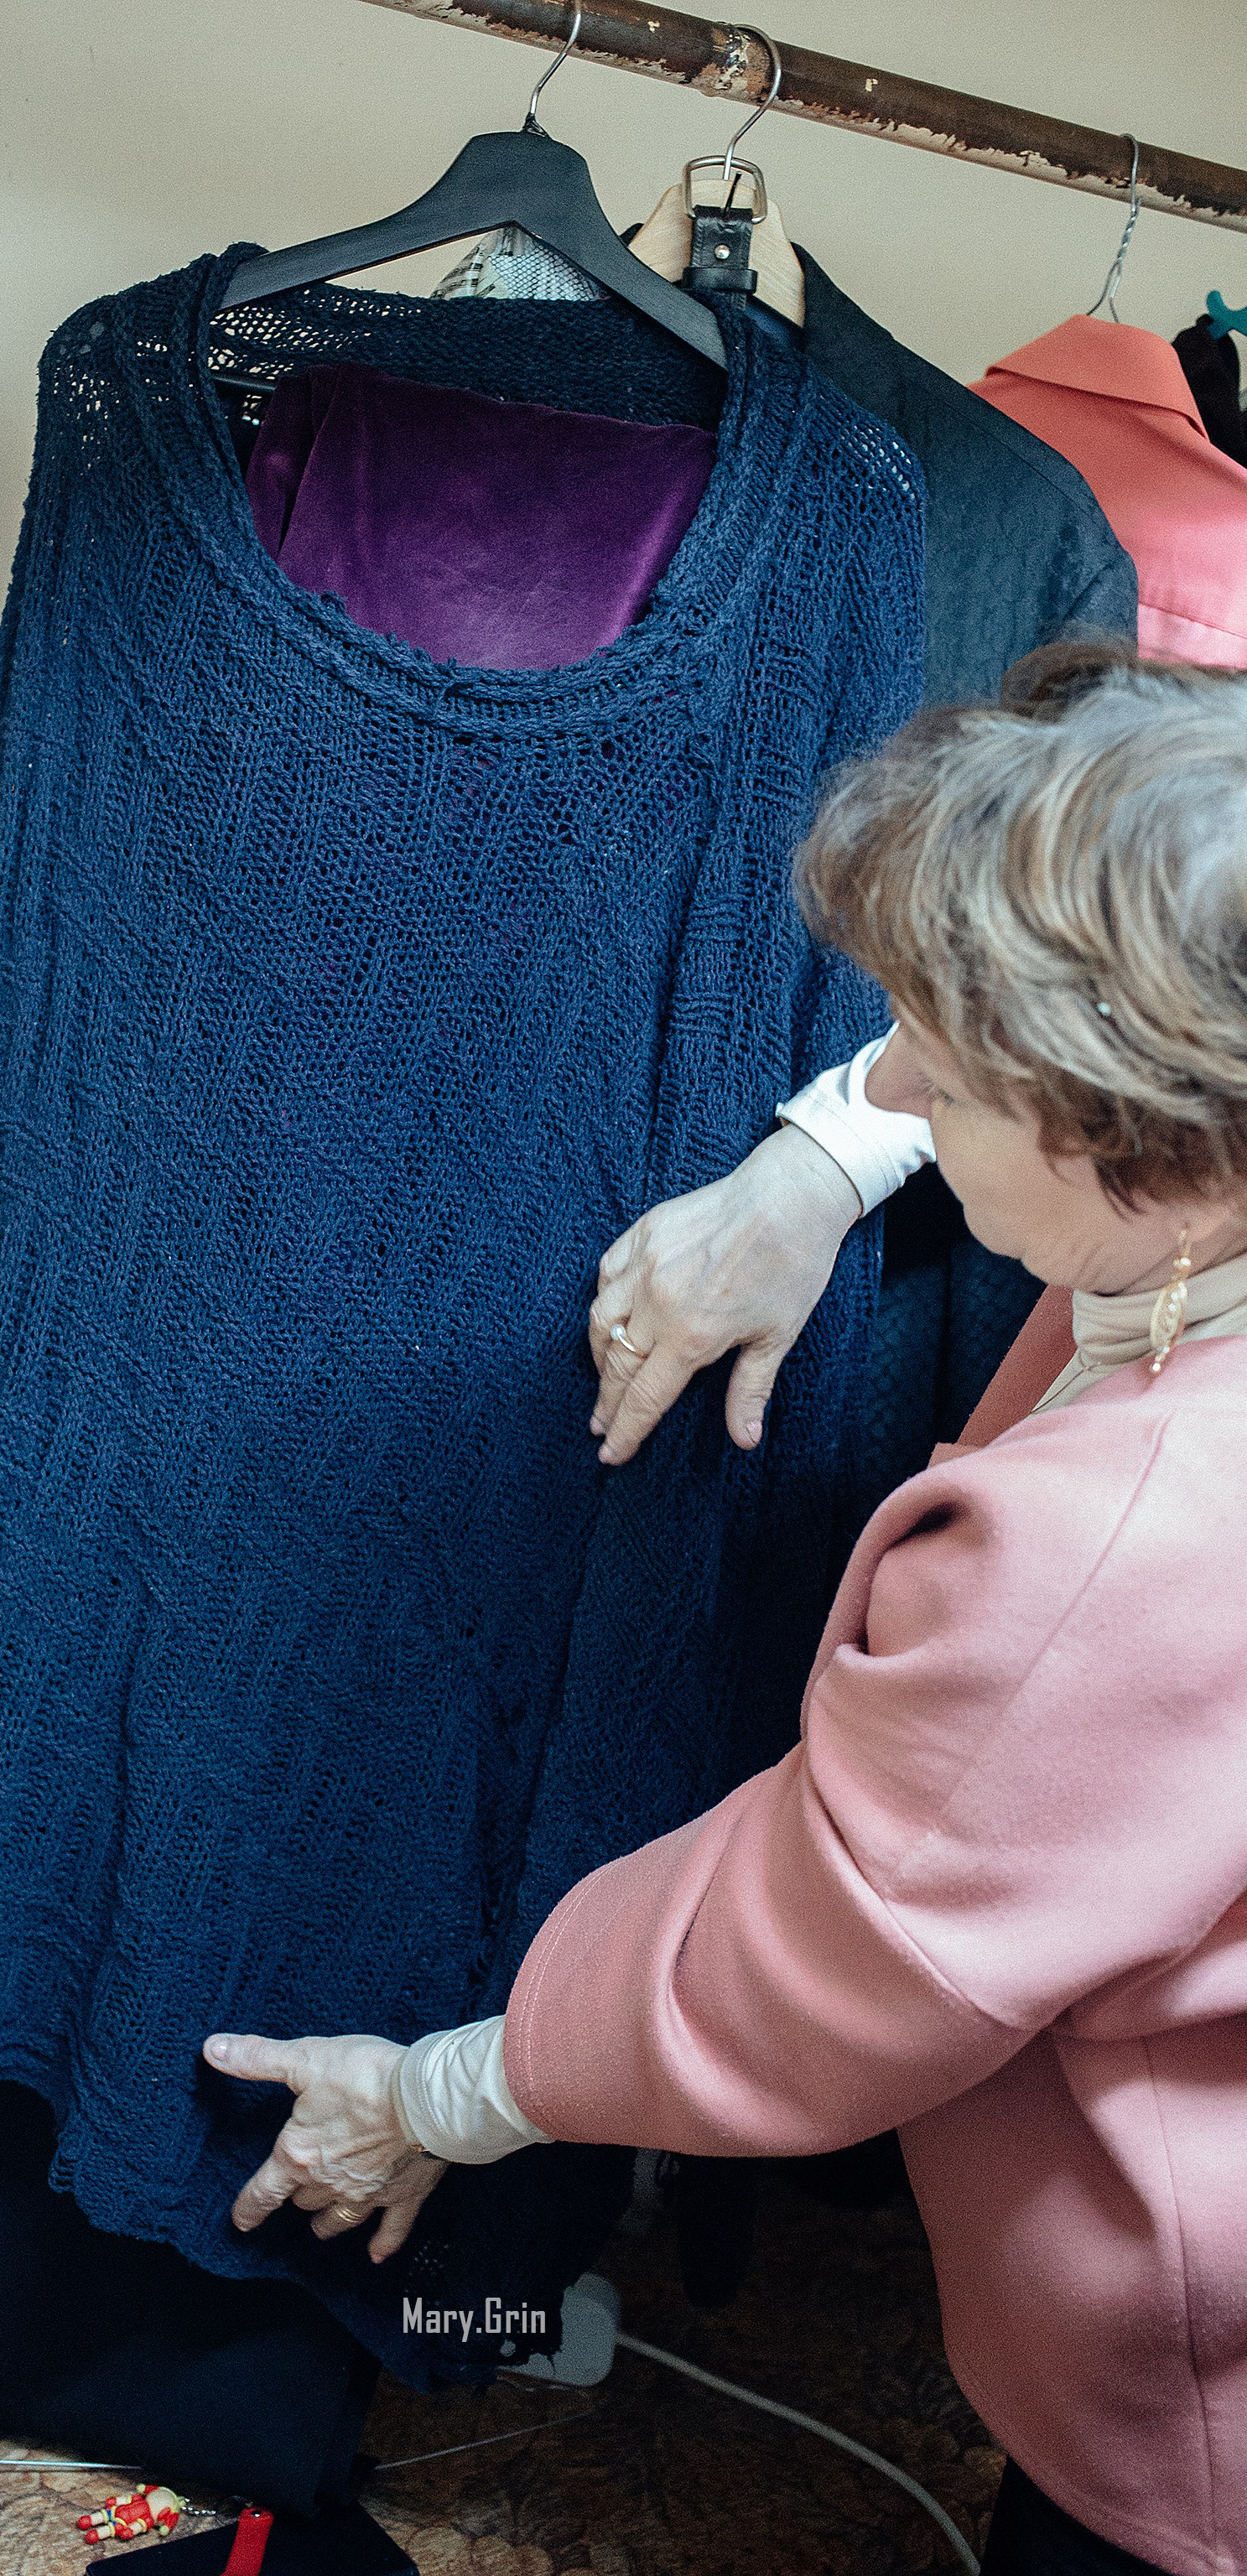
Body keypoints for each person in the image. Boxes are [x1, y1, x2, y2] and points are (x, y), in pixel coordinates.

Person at [203, 650, 1247, 2576]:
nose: (909, 1086)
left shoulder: (1123, 1545)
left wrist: (445, 2090)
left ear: (1139, 1126)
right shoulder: (1189, 1233)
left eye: (946, 1059)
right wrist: (817, 1163)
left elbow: (822, 1958)